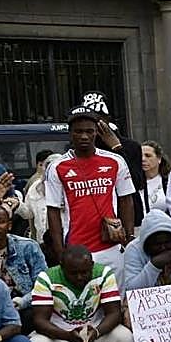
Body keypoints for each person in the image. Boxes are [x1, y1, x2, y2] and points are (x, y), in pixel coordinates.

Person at [45, 100, 136, 279]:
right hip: (76, 250)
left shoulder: (115, 161)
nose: (84, 136)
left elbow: (127, 200)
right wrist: (60, 251)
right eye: (79, 131)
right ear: (70, 134)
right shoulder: (57, 167)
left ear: (97, 132)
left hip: (112, 247)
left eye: (89, 131)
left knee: (115, 302)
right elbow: (53, 210)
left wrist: (128, 238)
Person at [29, 244, 133, 342]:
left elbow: (114, 313)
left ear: (92, 265)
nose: (79, 277)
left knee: (126, 339)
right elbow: (39, 321)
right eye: (73, 273)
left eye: (85, 272)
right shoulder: (46, 278)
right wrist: (68, 335)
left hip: (95, 333)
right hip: (61, 336)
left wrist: (96, 332)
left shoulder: (103, 273)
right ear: (62, 267)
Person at [0, 202, 46, 342]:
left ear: (9, 225)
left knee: (30, 316)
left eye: (0, 222)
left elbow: (43, 286)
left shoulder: (28, 247)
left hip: (22, 304)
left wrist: (22, 301)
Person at [81, 91, 147, 229]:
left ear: (107, 119)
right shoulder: (82, 148)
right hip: (94, 221)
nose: (95, 125)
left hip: (129, 220)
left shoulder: (131, 147)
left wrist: (117, 148)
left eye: (98, 119)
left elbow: (136, 183)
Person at [17, 149, 57, 244]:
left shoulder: (69, 187)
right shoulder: (35, 187)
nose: (50, 171)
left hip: (65, 242)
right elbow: (28, 213)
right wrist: (17, 203)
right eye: (47, 166)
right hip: (41, 243)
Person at [141, 140, 170, 213]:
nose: (143, 159)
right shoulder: (133, 183)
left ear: (159, 159)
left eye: (148, 156)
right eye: (140, 156)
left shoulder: (169, 181)